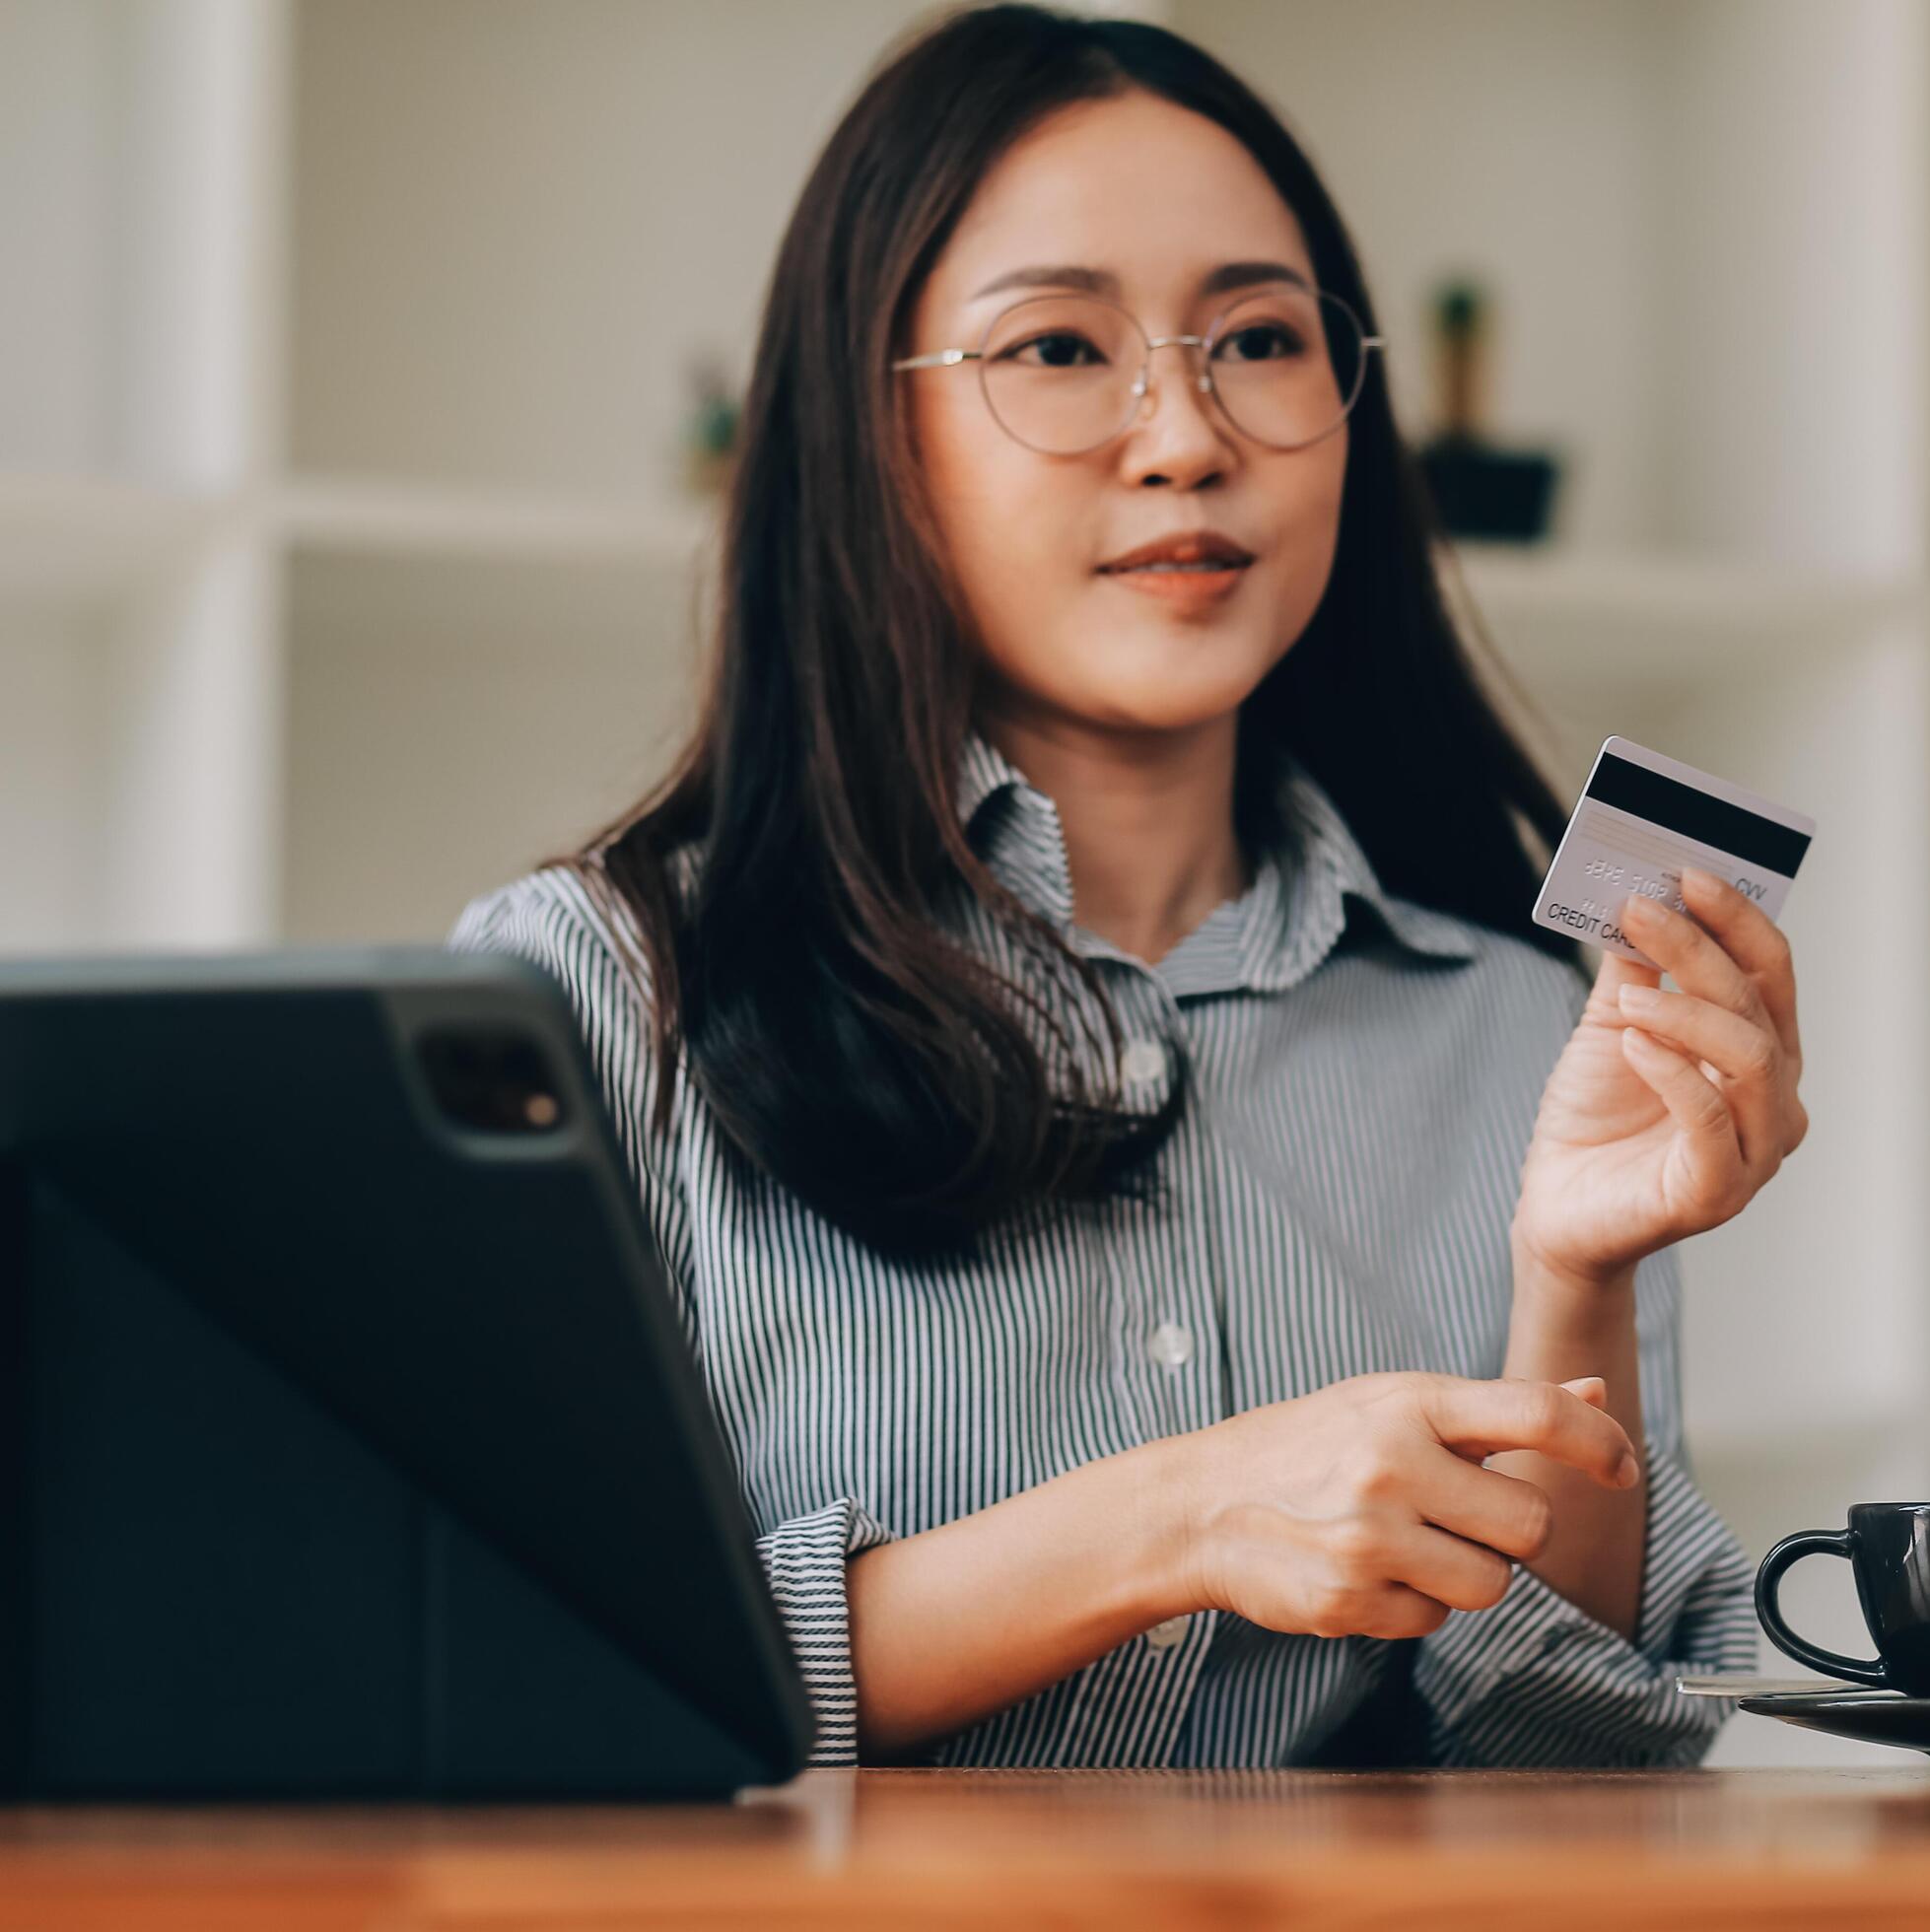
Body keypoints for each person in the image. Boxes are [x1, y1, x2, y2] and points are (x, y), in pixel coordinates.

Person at [450, 2, 1807, 1769]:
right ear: (875, 437)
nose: (1185, 435)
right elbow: (518, 1673)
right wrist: (1171, 1524)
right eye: (1061, 350)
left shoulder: (1520, 1027)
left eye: (1258, 337)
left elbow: (1571, 1778)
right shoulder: (593, 990)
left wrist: (1575, 1280)